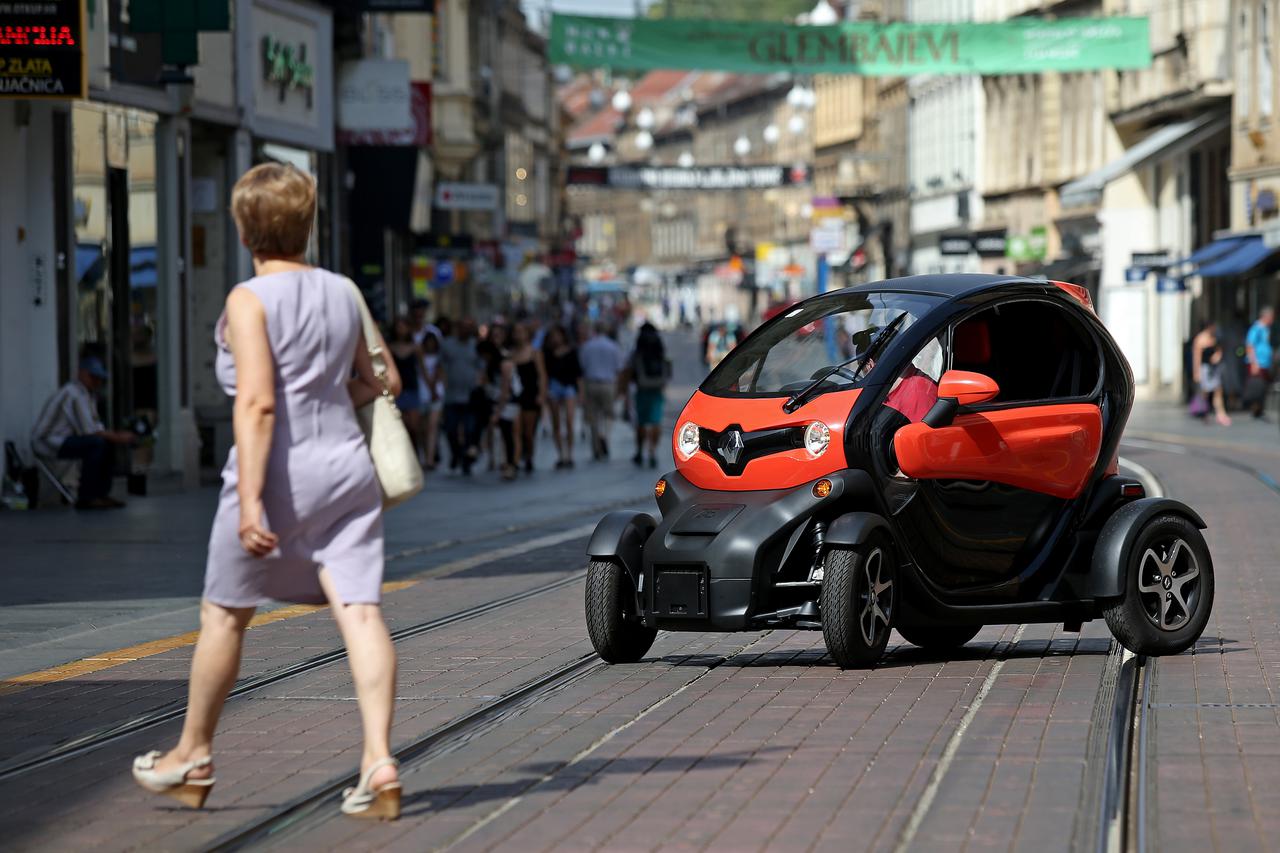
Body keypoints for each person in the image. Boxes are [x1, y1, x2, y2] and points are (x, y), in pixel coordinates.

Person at [129, 163, 402, 820]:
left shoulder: (248, 300)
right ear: (307, 225)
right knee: (361, 612)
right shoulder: (343, 291)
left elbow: (256, 404)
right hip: (347, 468)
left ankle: (193, 753)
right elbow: (381, 379)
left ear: (246, 229)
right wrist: (327, 394)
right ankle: (378, 760)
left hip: (279, 472)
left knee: (225, 615)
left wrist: (251, 501)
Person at [30, 356, 136, 509]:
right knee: (96, 444)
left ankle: (101, 494)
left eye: (99, 378)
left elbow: (95, 426)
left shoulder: (87, 395)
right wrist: (118, 437)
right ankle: (87, 496)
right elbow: (89, 431)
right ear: (82, 374)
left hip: (61, 440)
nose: (97, 382)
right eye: (93, 377)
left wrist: (115, 437)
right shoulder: (74, 394)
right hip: (47, 442)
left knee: (104, 443)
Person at [440, 319, 485, 475]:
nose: (465, 330)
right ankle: (456, 453)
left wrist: (480, 384)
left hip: (470, 396)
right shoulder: (447, 345)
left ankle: (466, 460)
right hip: (452, 394)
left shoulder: (475, 345)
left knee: (469, 429)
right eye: (463, 327)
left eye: (468, 327)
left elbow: (482, 367)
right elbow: (441, 366)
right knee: (450, 428)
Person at [579, 322, 625, 460]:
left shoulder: (587, 346)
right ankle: (604, 434)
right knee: (608, 414)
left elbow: (582, 366)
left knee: (593, 416)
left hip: (591, 384)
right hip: (608, 384)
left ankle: (596, 446)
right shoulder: (613, 346)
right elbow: (619, 368)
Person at [627, 323, 671, 468]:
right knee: (656, 422)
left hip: (642, 390)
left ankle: (640, 451)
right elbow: (667, 369)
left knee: (641, 422)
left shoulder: (638, 349)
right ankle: (652, 452)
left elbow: (629, 370)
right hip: (657, 390)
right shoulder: (659, 348)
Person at [543, 325, 583, 468]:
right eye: (553, 336)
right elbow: (544, 374)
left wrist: (581, 392)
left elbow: (578, 372)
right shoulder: (547, 353)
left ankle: (569, 454)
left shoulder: (571, 351)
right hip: (554, 386)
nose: (556, 338)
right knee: (556, 423)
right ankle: (561, 454)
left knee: (569, 421)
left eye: (558, 335)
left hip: (568, 387)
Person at [388, 317, 427, 463]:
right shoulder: (390, 347)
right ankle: (404, 457)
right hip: (396, 389)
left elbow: (422, 369)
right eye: (398, 326)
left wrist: (431, 388)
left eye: (403, 326)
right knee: (401, 425)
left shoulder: (416, 348)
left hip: (412, 388)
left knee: (414, 426)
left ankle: (416, 454)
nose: (401, 329)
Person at [509, 323, 546, 474]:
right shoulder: (510, 353)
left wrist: (541, 395)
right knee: (516, 430)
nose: (518, 335)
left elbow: (542, 375)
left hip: (531, 395)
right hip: (515, 395)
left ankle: (529, 456)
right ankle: (516, 459)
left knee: (528, 433)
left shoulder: (535, 353)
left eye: (521, 331)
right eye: (516, 332)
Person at [420, 331, 445, 471]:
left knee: (432, 427)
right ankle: (426, 456)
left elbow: (440, 374)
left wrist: (434, 389)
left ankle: (430, 459)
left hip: (436, 394)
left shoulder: (440, 357)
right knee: (423, 429)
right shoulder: (420, 356)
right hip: (422, 394)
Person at [1244, 306, 1274, 419]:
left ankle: (1259, 409)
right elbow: (1249, 346)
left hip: (1265, 363)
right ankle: (1255, 408)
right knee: (1256, 386)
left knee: (1263, 386)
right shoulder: (1256, 329)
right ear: (1266, 317)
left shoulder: (1266, 329)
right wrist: (1254, 363)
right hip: (1257, 363)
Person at [1200, 343, 1232, 427]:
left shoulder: (1215, 342)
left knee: (1218, 392)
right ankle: (1204, 412)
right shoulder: (1203, 341)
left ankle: (1221, 414)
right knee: (1205, 393)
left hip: (1214, 370)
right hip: (1207, 371)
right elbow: (1212, 358)